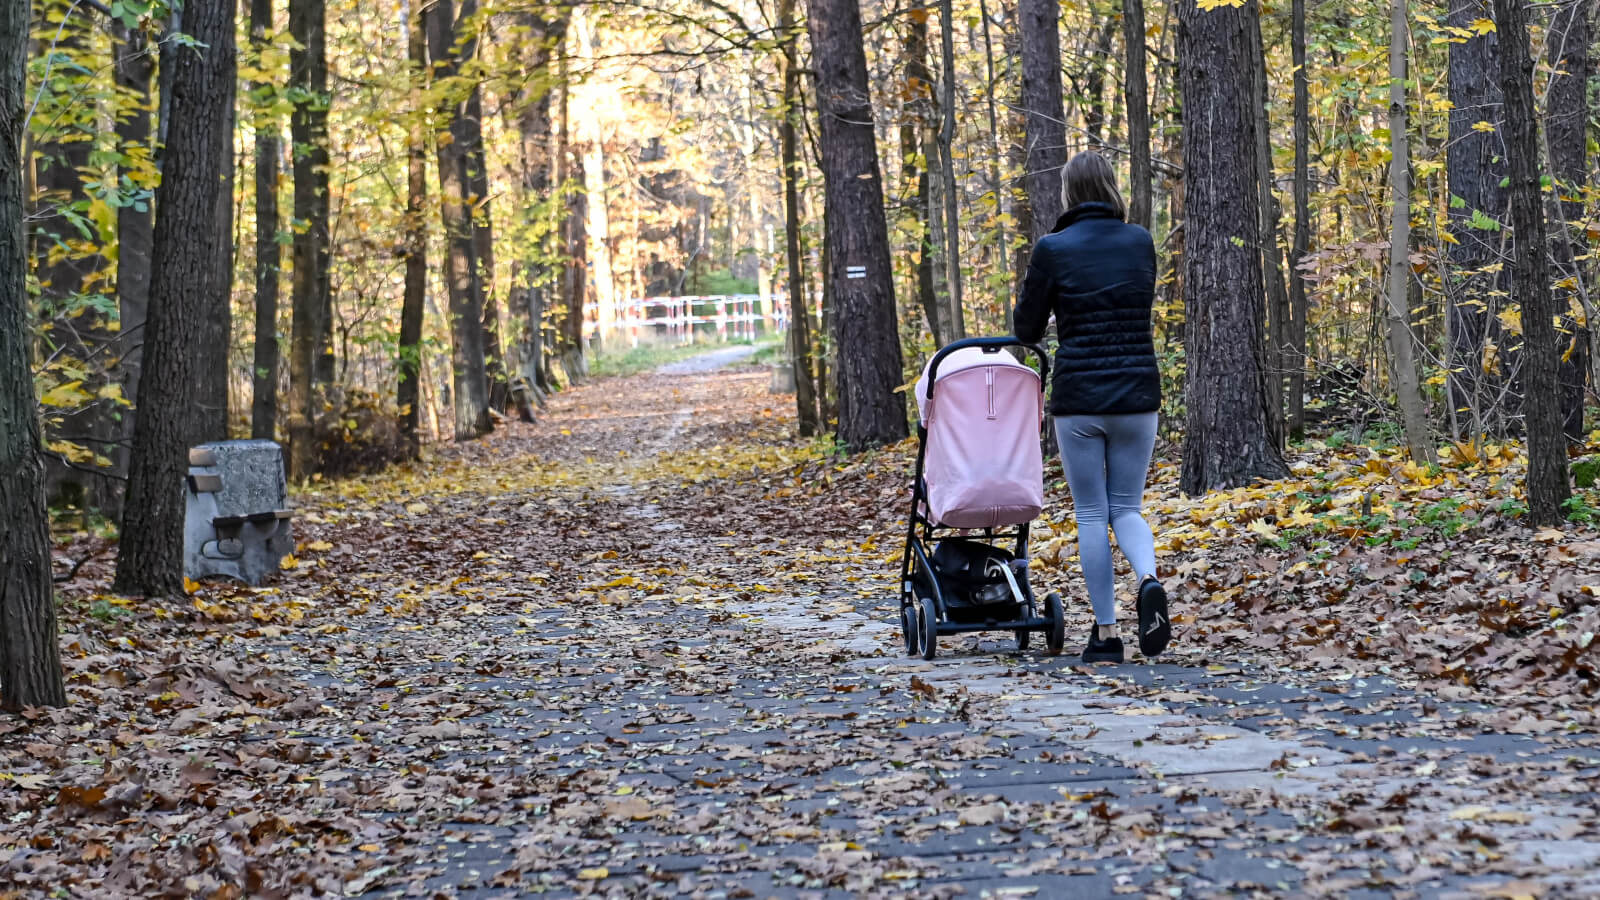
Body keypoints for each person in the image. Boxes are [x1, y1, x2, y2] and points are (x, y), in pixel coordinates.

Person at [1013, 150, 1170, 664]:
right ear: (1110, 187)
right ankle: (1148, 579)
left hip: (1080, 397)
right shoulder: (1141, 241)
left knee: (1090, 513)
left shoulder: (1053, 249)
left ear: (1069, 193)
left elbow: (1026, 330)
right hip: (1138, 393)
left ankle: (1106, 634)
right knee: (1127, 507)